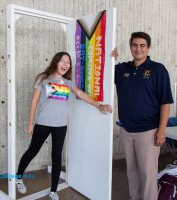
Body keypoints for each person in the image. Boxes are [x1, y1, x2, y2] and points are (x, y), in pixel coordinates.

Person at [15, 51, 112, 200]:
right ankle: (18, 177)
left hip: (61, 125)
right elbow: (34, 101)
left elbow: (80, 94)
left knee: (56, 157)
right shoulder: (43, 79)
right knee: (32, 151)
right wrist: (30, 123)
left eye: (68, 62)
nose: (66, 64)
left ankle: (53, 191)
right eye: (63, 61)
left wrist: (98, 105)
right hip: (43, 123)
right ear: (56, 62)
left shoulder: (68, 83)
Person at [112, 32, 173, 200]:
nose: (138, 49)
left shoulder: (157, 69)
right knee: (131, 170)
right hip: (126, 129)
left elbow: (165, 102)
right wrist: (110, 58)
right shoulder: (122, 69)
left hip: (148, 131)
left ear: (148, 48)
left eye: (142, 45)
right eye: (134, 45)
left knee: (147, 173)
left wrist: (161, 130)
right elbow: (103, 70)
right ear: (130, 47)